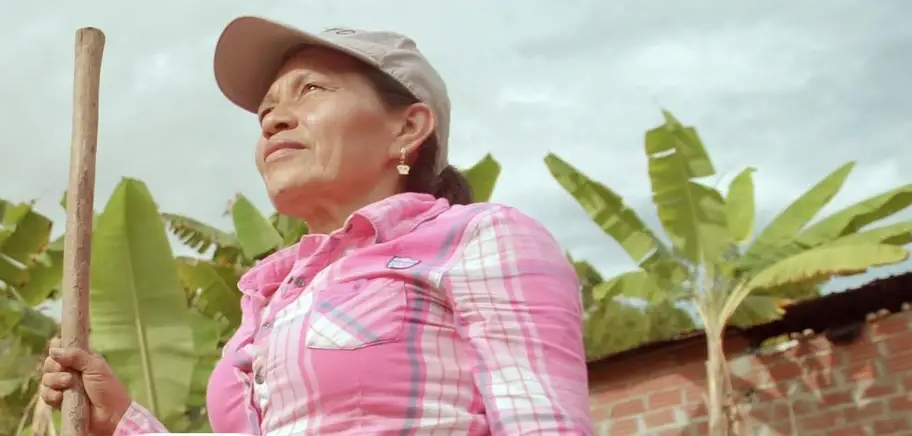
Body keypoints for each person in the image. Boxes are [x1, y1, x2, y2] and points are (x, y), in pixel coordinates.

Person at [40, 15, 593, 435]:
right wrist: (119, 419)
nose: (275, 118)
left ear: (408, 127)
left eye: (311, 90)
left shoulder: (480, 239)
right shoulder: (269, 298)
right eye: (265, 112)